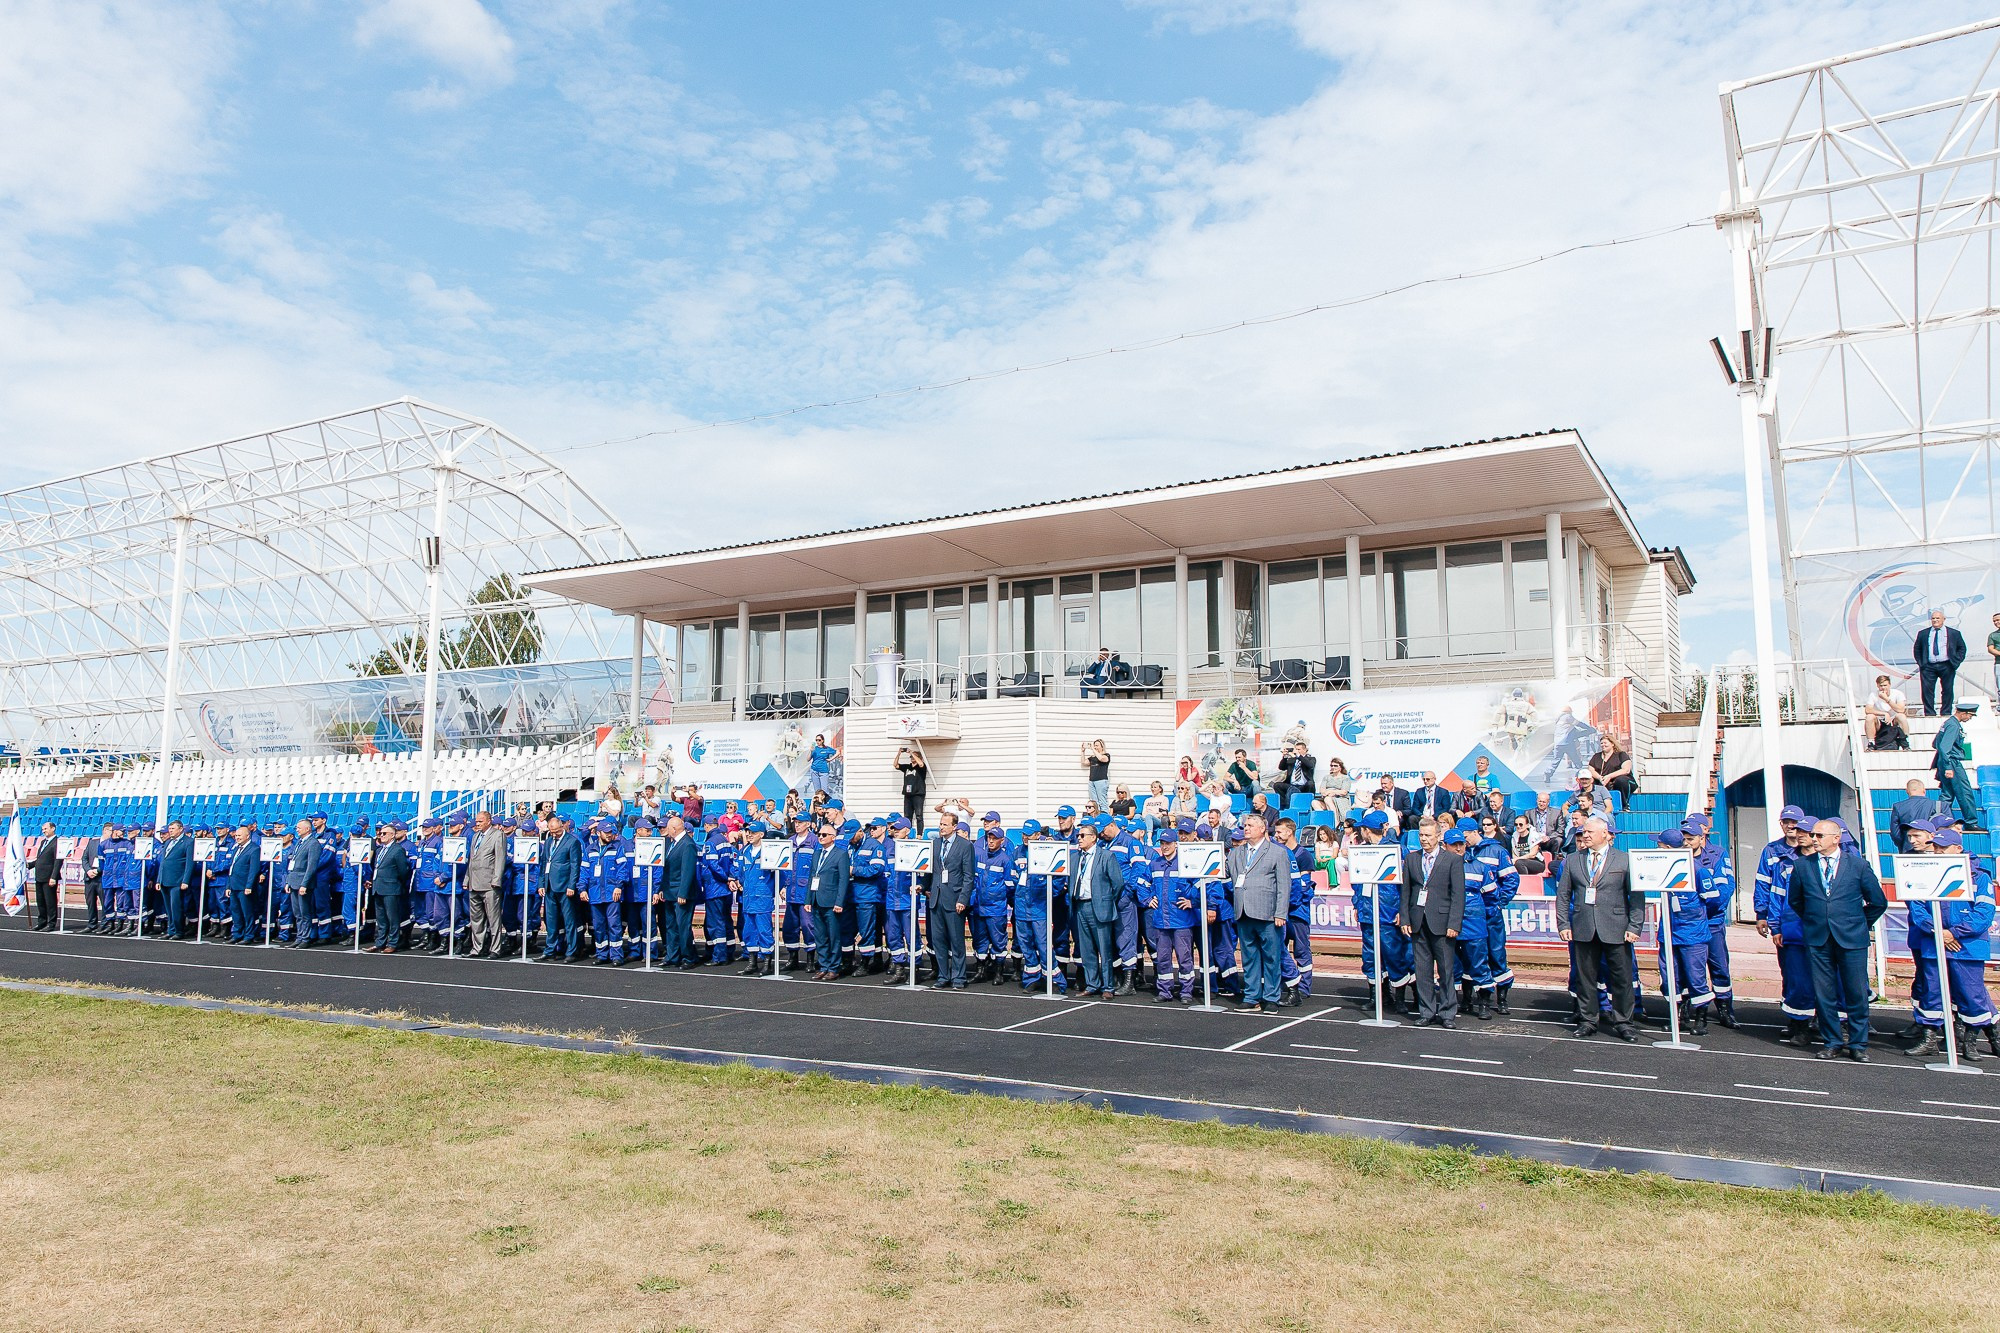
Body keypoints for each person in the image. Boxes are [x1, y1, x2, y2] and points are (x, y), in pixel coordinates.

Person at [1788, 817, 1889, 1060]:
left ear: (1836, 838)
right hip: (1818, 938)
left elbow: (1878, 902)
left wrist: (1858, 923)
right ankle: (1831, 1041)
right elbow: (1796, 901)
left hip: (1852, 938)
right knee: (1824, 993)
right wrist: (1816, 920)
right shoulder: (1803, 866)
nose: (1814, 839)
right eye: (1813, 835)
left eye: (1819, 835)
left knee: (1855, 992)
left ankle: (1858, 1044)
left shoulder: (1858, 866)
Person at [1901, 825, 1999, 1059]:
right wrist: (1938, 932)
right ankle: (1929, 1040)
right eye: (1936, 847)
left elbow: (1984, 913)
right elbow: (1918, 910)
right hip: (1934, 944)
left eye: (1944, 847)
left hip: (1967, 947)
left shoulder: (1980, 876)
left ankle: (1970, 1042)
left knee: (1970, 994)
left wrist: (1953, 933)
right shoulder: (1923, 873)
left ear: (1958, 848)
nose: (1939, 851)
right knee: (1931, 993)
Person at [1555, 815, 1642, 1041]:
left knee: (1621, 979)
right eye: (1584, 832)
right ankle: (1588, 1021)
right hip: (1583, 927)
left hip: (1616, 927)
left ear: (1605, 834)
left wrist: (1634, 925)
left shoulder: (1623, 860)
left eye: (1590, 832)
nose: (1585, 836)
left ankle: (1624, 1022)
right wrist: (1563, 923)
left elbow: (1636, 896)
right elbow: (1563, 896)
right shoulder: (1573, 860)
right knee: (1585, 979)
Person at [1398, 817, 1463, 1026]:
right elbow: (1406, 891)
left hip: (1443, 923)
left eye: (1428, 835)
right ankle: (1426, 1011)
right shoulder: (1412, 859)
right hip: (1418, 921)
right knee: (1422, 971)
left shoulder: (1452, 860)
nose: (1424, 839)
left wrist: (1454, 924)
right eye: (1421, 835)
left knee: (1445, 970)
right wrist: (1405, 918)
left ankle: (1447, 1013)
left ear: (1438, 836)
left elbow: (1458, 895)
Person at [1230, 811, 1290, 1015]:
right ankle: (1251, 996)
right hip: (1244, 911)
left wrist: (1281, 913)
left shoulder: (1277, 852)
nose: (1245, 828)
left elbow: (1284, 885)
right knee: (1249, 957)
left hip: (1267, 913)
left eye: (1250, 825)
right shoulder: (1236, 852)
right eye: (1245, 825)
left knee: (1272, 957)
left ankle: (1272, 997)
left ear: (1262, 828)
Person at [1068, 821, 1123, 998]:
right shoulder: (1075, 857)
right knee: (1086, 949)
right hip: (1080, 905)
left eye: (1082, 835)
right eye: (1078, 835)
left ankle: (1108, 986)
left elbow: (1118, 883)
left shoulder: (1106, 856)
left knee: (1104, 949)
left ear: (1093, 838)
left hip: (1099, 906)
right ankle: (1092, 984)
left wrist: (1105, 900)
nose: (1079, 838)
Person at [925, 812, 975, 990]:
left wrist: (963, 898)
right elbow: (929, 871)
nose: (941, 827)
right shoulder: (935, 844)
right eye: (940, 824)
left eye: (945, 825)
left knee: (956, 940)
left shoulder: (965, 846)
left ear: (954, 827)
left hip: (954, 899)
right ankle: (943, 975)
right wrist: (924, 888)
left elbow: (969, 876)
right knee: (938, 940)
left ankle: (959, 977)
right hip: (936, 898)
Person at [970, 820, 1021, 984]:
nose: (991, 841)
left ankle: (998, 972)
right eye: (989, 838)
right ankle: (981, 971)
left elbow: (1010, 886)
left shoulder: (1006, 860)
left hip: (996, 909)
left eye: (994, 838)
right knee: (980, 941)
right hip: (979, 908)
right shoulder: (980, 856)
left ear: (1002, 841)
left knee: (999, 941)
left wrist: (999, 897)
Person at [805, 813, 850, 980]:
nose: (820, 837)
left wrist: (839, 902)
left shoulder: (840, 854)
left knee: (833, 936)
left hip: (831, 902)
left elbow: (844, 880)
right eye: (819, 834)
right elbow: (812, 876)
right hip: (817, 899)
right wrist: (808, 899)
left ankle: (834, 967)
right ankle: (823, 965)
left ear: (833, 837)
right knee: (820, 936)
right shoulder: (817, 853)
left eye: (824, 835)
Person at [583, 819, 633, 967]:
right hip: (595, 892)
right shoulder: (590, 850)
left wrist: (619, 886)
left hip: (612, 893)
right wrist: (582, 889)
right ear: (598, 833)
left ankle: (616, 955)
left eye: (611, 832)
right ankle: (601, 954)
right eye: (606, 833)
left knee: (614, 925)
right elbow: (584, 871)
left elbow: (623, 869)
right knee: (598, 926)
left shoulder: (617, 848)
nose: (610, 835)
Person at [464, 810, 508, 958]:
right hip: (474, 882)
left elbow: (500, 859)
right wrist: (467, 879)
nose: (477, 824)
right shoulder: (476, 836)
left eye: (480, 821)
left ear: (488, 821)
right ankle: (477, 948)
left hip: (489, 883)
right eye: (476, 821)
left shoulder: (497, 835)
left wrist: (497, 879)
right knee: (476, 919)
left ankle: (495, 948)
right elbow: (472, 859)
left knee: (493, 918)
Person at [1935, 700, 1983, 830]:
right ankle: (1971, 822)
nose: (1969, 718)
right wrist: (1949, 767)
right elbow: (1945, 748)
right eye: (1970, 715)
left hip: (1944, 762)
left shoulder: (1947, 723)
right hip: (1952, 763)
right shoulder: (1954, 726)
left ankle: (1938, 820)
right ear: (1963, 713)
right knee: (1964, 792)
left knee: (1947, 794)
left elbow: (1935, 744)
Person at [367, 822, 412, 954]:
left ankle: (393, 942)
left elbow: (403, 870)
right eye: (380, 833)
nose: (381, 835)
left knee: (392, 918)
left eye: (384, 833)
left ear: (392, 835)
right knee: (381, 919)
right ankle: (380, 942)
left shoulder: (397, 850)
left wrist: (397, 883)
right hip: (378, 887)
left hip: (391, 888)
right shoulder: (380, 850)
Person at [660, 814, 698, 968]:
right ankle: (672, 956)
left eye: (668, 828)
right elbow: (667, 869)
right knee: (671, 926)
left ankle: (689, 957)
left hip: (681, 894)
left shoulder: (687, 844)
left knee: (682, 926)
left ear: (674, 829)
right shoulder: (671, 843)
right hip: (669, 891)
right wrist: (662, 888)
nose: (666, 831)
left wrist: (683, 893)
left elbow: (687, 871)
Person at [1914, 608, 1968, 717]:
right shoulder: (1923, 633)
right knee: (1927, 690)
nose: (1935, 620)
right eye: (1933, 618)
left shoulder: (1954, 633)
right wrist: (1921, 663)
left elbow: (1962, 648)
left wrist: (1956, 661)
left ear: (1944, 619)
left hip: (1947, 665)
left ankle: (1946, 712)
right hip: (1928, 666)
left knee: (1947, 689)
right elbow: (1917, 649)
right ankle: (1929, 713)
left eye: (1938, 618)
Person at [283, 819, 320, 950]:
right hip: (293, 881)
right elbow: (292, 863)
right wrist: (288, 881)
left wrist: (305, 884)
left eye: (299, 827)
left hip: (303, 882)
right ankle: (299, 936)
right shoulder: (299, 842)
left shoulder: (313, 843)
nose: (297, 829)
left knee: (305, 912)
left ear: (307, 829)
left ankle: (306, 937)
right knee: (297, 913)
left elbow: (311, 866)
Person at [157, 821, 194, 940]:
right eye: (170, 828)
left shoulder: (188, 842)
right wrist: (159, 880)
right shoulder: (168, 842)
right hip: (165, 880)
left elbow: (189, 864)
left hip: (177, 880)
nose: (170, 830)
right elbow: (163, 863)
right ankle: (171, 929)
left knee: (176, 907)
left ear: (180, 829)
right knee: (168, 908)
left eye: (173, 828)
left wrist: (186, 881)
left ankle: (179, 930)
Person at [225, 823, 261, 945]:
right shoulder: (236, 849)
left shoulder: (254, 849)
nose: (237, 837)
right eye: (236, 835)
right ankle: (237, 934)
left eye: (240, 835)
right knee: (235, 912)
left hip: (244, 886)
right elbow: (232, 869)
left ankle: (249, 935)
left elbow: (253, 870)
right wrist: (228, 886)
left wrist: (249, 886)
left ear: (247, 836)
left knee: (247, 912)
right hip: (234, 885)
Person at [1890, 778, 1948, 852]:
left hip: (1909, 850)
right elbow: (1949, 829)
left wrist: (1904, 845)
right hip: (1935, 849)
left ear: (1907, 791)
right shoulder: (1941, 806)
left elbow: (1895, 834)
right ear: (1924, 790)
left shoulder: (1898, 806)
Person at [1864, 674, 1912, 750]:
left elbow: (1901, 710)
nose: (1883, 688)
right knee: (1869, 717)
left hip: (1893, 721)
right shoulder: (1873, 694)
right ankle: (1871, 743)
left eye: (1885, 685)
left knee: (1901, 716)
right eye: (1881, 686)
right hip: (1879, 722)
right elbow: (1868, 710)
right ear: (1877, 686)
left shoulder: (1898, 693)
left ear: (1889, 685)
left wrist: (1886, 699)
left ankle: (1905, 742)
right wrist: (1884, 714)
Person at [1588, 734, 1636, 805]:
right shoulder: (1596, 756)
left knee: (1621, 781)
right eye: (1601, 743)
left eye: (1605, 743)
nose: (1603, 745)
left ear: (1612, 744)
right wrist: (1599, 777)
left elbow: (1626, 770)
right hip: (1603, 780)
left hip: (1622, 782)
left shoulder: (1621, 755)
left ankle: (1624, 804)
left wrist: (1609, 776)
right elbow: (1591, 770)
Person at [31, 821, 60, 931]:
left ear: (53, 828)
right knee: (40, 901)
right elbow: (40, 859)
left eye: (46, 828)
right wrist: (29, 865)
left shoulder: (57, 842)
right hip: (39, 876)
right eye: (43, 829)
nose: (44, 831)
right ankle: (42, 922)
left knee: (50, 901)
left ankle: (51, 923)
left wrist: (54, 876)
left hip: (49, 877)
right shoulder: (43, 842)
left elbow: (58, 861)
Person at [894, 745, 928, 833]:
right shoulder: (907, 767)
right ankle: (907, 833)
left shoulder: (921, 768)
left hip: (918, 794)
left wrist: (912, 752)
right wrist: (898, 754)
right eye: (911, 757)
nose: (912, 758)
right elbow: (896, 765)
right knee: (907, 816)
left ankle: (919, 834)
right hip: (908, 794)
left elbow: (920, 764)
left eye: (914, 757)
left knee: (919, 815)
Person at [1272, 742, 1316, 808]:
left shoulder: (1311, 759)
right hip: (1292, 785)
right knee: (1277, 785)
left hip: (1304, 785)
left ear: (1305, 750)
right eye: (1296, 749)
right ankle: (1284, 806)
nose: (1297, 751)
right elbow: (1281, 767)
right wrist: (1284, 757)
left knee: (1310, 784)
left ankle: (1308, 805)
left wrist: (1299, 757)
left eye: (1299, 749)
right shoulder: (1292, 760)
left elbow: (1310, 765)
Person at [1318, 757, 1353, 824]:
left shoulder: (1345, 778)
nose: (1333, 767)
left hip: (1341, 799)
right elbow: (1322, 789)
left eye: (1335, 766)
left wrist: (1332, 792)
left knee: (1327, 799)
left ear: (1340, 767)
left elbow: (1344, 792)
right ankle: (1325, 821)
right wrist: (1326, 793)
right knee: (1314, 803)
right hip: (1328, 797)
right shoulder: (1327, 777)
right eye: (1331, 765)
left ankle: (1335, 822)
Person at [1081, 740, 1112, 808]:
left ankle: (1104, 816)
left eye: (1097, 745)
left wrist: (1092, 749)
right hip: (1092, 781)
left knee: (1102, 801)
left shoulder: (1106, 755)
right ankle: (1095, 816)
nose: (1095, 747)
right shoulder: (1092, 757)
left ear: (1102, 746)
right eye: (1094, 745)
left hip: (1101, 781)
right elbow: (1084, 762)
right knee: (1093, 802)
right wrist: (1083, 751)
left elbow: (1101, 758)